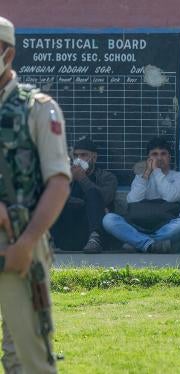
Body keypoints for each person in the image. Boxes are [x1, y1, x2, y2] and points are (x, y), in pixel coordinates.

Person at [0, 16, 71, 372]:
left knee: (26, 356)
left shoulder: (38, 109)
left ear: (7, 53)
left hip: (16, 241)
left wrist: (27, 242)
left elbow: (59, 183)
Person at [103, 136, 180, 253]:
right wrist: (146, 174)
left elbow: (170, 197)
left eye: (163, 154)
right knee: (109, 219)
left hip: (168, 226)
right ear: (148, 158)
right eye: (154, 154)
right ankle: (150, 244)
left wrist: (157, 171)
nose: (159, 158)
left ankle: (139, 243)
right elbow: (132, 201)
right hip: (140, 227)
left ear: (169, 157)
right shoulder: (141, 177)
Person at [50, 137, 118, 253]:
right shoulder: (68, 177)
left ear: (94, 157)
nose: (79, 159)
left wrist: (83, 179)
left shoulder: (107, 177)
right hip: (68, 233)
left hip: (91, 233)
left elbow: (105, 198)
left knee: (94, 193)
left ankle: (94, 238)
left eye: (83, 155)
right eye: (76, 156)